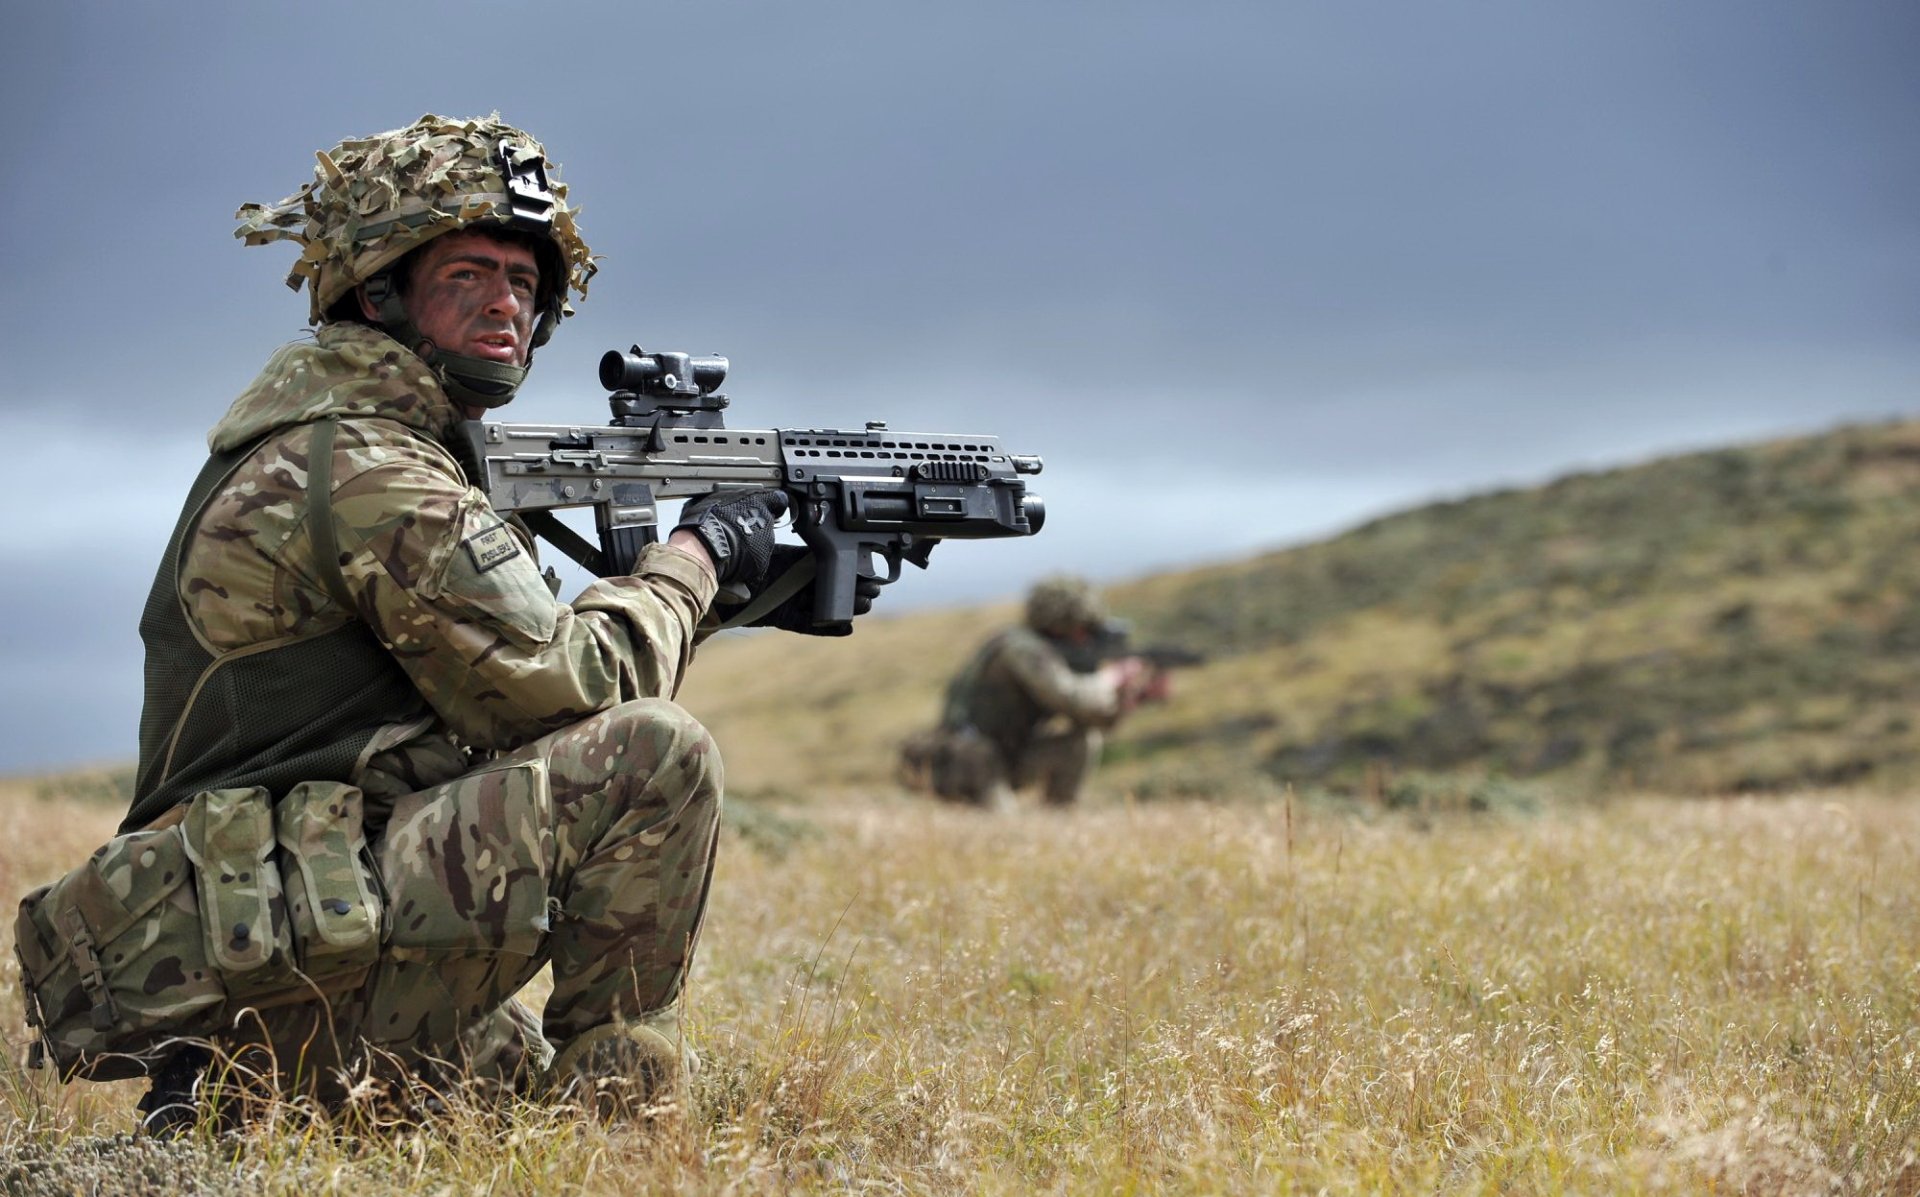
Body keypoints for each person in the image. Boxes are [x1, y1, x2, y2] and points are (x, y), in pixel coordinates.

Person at [25, 114, 862, 1130]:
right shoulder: (373, 468)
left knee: (499, 1098)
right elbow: (578, 687)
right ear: (380, 290)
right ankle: (625, 1131)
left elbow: (518, 691)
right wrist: (698, 557)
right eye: (466, 274)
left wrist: (708, 586)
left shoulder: (331, 443)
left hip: (268, 937)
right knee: (657, 755)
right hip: (275, 952)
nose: (505, 304)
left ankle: (234, 1101)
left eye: (523, 282)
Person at [899, 575, 1167, 809]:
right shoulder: (1021, 649)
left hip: (1008, 756)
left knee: (1082, 741)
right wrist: (1111, 676)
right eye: (1083, 629)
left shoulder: (1045, 649)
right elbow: (1070, 696)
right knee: (1003, 836)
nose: (1085, 638)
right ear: (1062, 624)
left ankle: (1060, 818)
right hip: (969, 761)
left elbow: (1092, 718)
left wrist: (1132, 696)